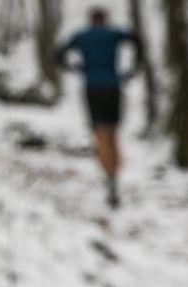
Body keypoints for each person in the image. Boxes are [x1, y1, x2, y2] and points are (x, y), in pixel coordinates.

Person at [55, 7, 143, 209]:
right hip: (113, 87)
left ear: (90, 20)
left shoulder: (82, 36)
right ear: (105, 19)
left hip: (93, 88)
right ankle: (114, 175)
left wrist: (75, 68)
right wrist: (134, 67)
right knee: (113, 132)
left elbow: (58, 54)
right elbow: (136, 40)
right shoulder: (113, 34)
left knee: (100, 133)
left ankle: (109, 178)